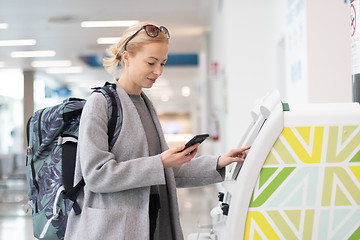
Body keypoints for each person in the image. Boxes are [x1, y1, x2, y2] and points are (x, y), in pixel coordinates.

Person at [64, 22, 250, 240]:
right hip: (111, 230)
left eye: (163, 63)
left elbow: (166, 173)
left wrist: (218, 162)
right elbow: (97, 175)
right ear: (126, 58)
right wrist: (160, 162)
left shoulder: (145, 104)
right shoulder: (100, 103)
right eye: (151, 62)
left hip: (151, 222)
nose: (158, 71)